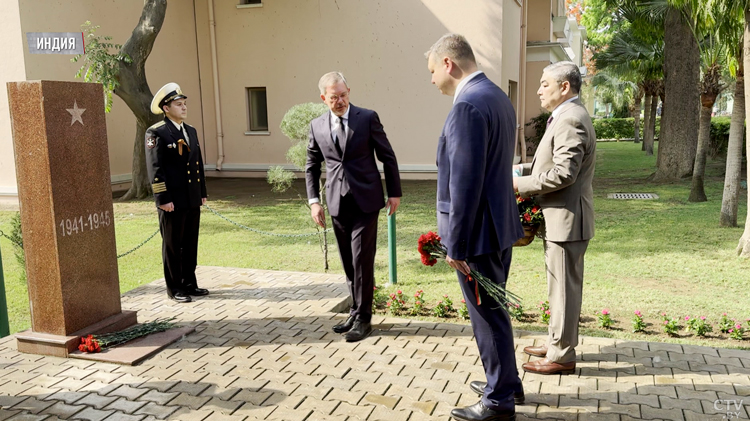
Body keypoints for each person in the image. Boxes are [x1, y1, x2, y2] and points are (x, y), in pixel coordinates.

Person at [426, 34, 524, 421]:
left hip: (477, 235)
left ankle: (499, 401)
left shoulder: (467, 104)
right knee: (495, 310)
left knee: (487, 316)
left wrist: (457, 246)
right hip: (498, 226)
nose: (432, 79)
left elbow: (464, 183)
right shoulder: (497, 95)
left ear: (449, 63)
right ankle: (507, 382)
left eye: (432, 71)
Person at [305, 72, 402, 342]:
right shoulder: (316, 126)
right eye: (334, 97)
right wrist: (314, 202)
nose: (340, 101)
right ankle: (356, 309)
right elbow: (311, 166)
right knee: (348, 262)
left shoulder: (368, 118)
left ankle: (364, 319)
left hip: (367, 201)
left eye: (344, 94)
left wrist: (394, 192)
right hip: (336, 203)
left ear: (349, 90)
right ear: (324, 98)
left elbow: (388, 156)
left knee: (361, 259)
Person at [514, 61, 596, 375]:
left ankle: (561, 356)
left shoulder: (571, 118)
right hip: (561, 219)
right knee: (558, 289)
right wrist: (523, 172)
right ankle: (556, 342)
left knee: (564, 291)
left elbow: (564, 173)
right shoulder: (564, 116)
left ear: (564, 87)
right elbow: (552, 164)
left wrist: (520, 184)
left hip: (567, 220)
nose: (538, 90)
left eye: (544, 84)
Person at [146, 82, 209, 304]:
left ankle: (190, 283)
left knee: (190, 242)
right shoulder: (157, 133)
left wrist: (201, 192)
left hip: (191, 197)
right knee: (173, 244)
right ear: (166, 108)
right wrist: (163, 199)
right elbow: (155, 169)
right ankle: (175, 288)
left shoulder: (190, 130)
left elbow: (197, 164)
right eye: (178, 104)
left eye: (184, 104)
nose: (183, 108)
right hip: (172, 200)